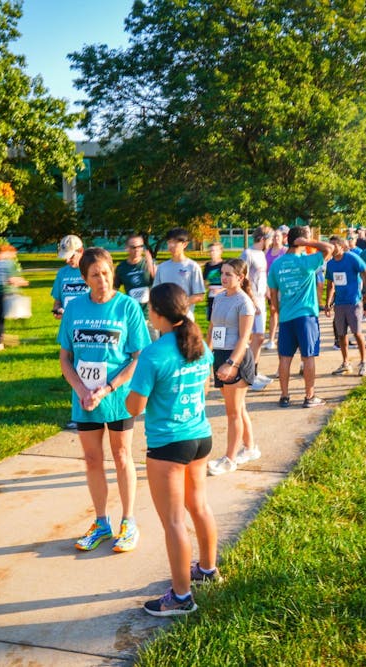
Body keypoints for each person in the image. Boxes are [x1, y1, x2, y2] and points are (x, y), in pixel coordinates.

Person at [126, 283, 219, 616]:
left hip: (168, 444)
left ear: (156, 314)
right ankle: (207, 569)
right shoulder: (199, 344)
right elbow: (205, 389)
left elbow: (135, 407)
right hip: (200, 437)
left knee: (174, 522)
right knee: (199, 505)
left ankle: (181, 598)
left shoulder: (154, 353)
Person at [59, 248, 149, 554]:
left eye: (107, 272)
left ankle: (129, 521)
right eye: (95, 275)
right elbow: (65, 358)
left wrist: (108, 388)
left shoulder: (127, 308)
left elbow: (138, 358)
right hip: (84, 399)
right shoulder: (74, 309)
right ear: (84, 278)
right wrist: (81, 390)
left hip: (117, 397)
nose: (102, 280)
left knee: (122, 455)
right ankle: (101, 522)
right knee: (93, 459)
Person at [266, 226, 334, 408]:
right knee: (308, 356)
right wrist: (307, 242)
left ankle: (285, 396)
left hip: (286, 317)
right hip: (306, 317)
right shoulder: (308, 262)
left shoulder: (277, 264)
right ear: (301, 241)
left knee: (285, 358)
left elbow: (273, 294)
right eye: (307, 238)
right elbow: (329, 248)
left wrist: (279, 311)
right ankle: (309, 397)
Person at [206, 259, 260, 475]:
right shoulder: (219, 298)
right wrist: (205, 354)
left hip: (235, 359)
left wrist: (232, 364)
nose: (224, 277)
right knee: (239, 408)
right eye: (222, 273)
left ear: (241, 277)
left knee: (233, 413)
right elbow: (212, 328)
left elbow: (245, 337)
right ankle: (250, 448)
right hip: (220, 355)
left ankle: (229, 459)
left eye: (229, 274)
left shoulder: (244, 303)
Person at [323, 237, 366, 376]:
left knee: (357, 333)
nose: (331, 248)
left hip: (353, 302)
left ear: (341, 246)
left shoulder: (351, 258)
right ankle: (345, 363)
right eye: (329, 246)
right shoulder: (331, 264)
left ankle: (363, 362)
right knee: (341, 335)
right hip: (339, 304)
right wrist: (328, 303)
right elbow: (330, 285)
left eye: (333, 245)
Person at [239, 229, 273, 390]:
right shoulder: (248, 254)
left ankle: (254, 371)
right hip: (251, 301)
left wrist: (268, 295)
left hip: (260, 299)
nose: (272, 241)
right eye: (270, 238)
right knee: (254, 337)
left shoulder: (261, 254)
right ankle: (248, 374)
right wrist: (252, 301)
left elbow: (262, 278)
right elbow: (242, 279)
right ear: (264, 238)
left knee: (259, 338)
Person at [153, 228, 205, 320]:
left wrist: (178, 305)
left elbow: (199, 296)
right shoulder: (162, 267)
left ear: (184, 244)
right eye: (169, 242)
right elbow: (155, 292)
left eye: (175, 242)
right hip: (165, 318)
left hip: (185, 318)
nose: (171, 245)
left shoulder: (192, 267)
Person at [113, 234, 156, 338]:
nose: (137, 250)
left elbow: (159, 284)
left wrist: (151, 266)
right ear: (126, 248)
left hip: (150, 316)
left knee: (152, 348)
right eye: (133, 247)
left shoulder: (149, 264)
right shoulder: (122, 268)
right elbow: (114, 290)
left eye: (140, 246)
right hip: (131, 315)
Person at [0, 243, 29, 351]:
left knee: (0, 319)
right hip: (8, 294)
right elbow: (12, 279)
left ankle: (0, 342)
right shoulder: (9, 263)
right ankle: (8, 340)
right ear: (8, 252)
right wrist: (24, 282)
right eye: (13, 254)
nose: (14, 256)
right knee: (18, 316)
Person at [51, 235, 88, 320]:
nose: (67, 261)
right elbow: (57, 301)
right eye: (65, 257)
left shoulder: (91, 270)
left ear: (81, 251)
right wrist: (57, 310)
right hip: (68, 323)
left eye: (71, 256)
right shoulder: (62, 273)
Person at [263, 227, 287, 350]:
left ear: (283, 238)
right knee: (273, 311)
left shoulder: (285, 251)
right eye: (274, 236)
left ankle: (283, 337)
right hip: (270, 286)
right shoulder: (267, 252)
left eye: (278, 236)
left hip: (282, 287)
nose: (276, 238)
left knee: (282, 312)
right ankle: (271, 339)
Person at [203, 242, 225, 321]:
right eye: (210, 251)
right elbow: (205, 281)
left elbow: (231, 283)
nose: (212, 253)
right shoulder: (207, 266)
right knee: (212, 319)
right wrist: (207, 287)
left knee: (222, 319)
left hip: (223, 295)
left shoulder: (224, 265)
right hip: (211, 296)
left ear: (220, 251)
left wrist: (220, 290)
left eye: (214, 251)